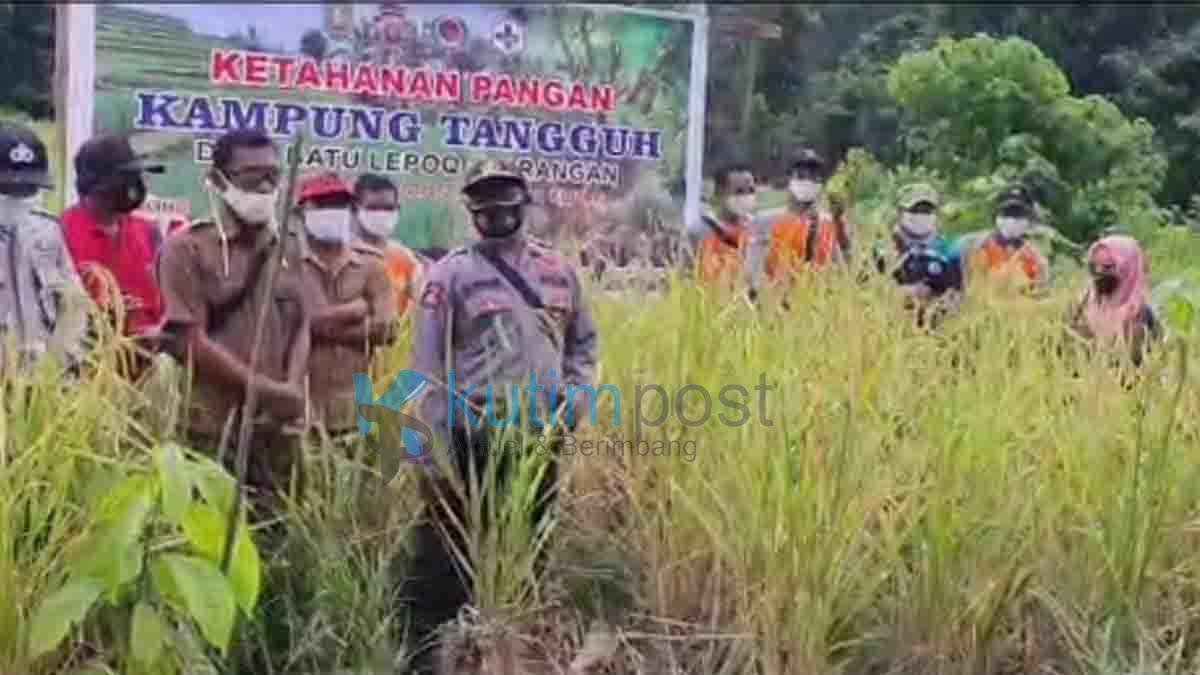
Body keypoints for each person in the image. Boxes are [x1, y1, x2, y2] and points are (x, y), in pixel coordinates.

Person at [402, 159, 598, 673]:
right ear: (471, 207)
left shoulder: (560, 272)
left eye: (504, 195)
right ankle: (428, 660)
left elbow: (584, 344)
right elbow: (428, 369)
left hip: (540, 440)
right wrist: (432, 454)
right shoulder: (449, 276)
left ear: (523, 199)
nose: (495, 208)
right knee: (447, 561)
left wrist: (577, 397)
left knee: (530, 552)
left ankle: (514, 652)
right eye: (483, 198)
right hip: (471, 441)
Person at [156, 128, 310, 517]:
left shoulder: (289, 244)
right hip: (213, 428)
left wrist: (290, 388)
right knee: (207, 538)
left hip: (274, 431)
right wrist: (263, 389)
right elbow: (189, 339)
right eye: (250, 175)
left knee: (274, 542)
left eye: (273, 175)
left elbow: (301, 323)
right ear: (218, 181)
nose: (265, 185)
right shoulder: (187, 248)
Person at [295, 170, 398, 446]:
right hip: (297, 412)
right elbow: (281, 329)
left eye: (340, 205)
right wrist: (352, 311)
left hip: (354, 412)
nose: (333, 212)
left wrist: (313, 326)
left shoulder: (371, 266)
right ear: (301, 211)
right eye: (323, 205)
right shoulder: (284, 264)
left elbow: (387, 330)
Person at [61, 133, 167, 381]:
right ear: (94, 185)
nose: (132, 187)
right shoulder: (60, 235)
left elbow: (166, 303)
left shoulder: (149, 233)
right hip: (85, 380)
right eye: (124, 179)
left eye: (135, 178)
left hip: (144, 375)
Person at [0, 121, 89, 376]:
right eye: (9, 192)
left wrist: (58, 359)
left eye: (27, 191)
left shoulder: (47, 232)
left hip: (45, 390)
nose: (19, 201)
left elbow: (74, 304)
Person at [745, 148, 854, 300]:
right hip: (775, 309)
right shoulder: (765, 221)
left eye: (814, 176)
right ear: (789, 178)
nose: (808, 181)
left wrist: (840, 224)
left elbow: (844, 272)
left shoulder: (828, 223)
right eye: (802, 175)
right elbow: (752, 273)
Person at [874, 183, 964, 328]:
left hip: (935, 328)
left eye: (927, 211)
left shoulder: (948, 251)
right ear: (900, 212)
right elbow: (866, 291)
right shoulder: (882, 249)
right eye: (915, 210)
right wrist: (904, 295)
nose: (921, 216)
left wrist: (938, 304)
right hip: (889, 327)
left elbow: (957, 293)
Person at [1066, 234, 1160, 367]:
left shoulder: (1142, 315)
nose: (1099, 273)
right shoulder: (1081, 307)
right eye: (1094, 267)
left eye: (1108, 267)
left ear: (1128, 268)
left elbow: (1154, 363)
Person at [351, 173, 422, 316]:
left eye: (388, 208)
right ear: (355, 208)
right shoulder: (338, 254)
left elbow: (420, 309)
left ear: (398, 209)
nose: (381, 214)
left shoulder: (405, 260)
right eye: (373, 208)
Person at [959, 184, 1050, 295]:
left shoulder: (1035, 258)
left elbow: (1041, 295)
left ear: (1029, 219)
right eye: (1007, 213)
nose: (1012, 219)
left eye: (1018, 215)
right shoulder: (974, 246)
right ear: (997, 216)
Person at [690, 161, 756, 287]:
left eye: (751, 190)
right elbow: (685, 278)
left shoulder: (756, 231)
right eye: (739, 191)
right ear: (719, 193)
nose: (747, 196)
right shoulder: (700, 231)